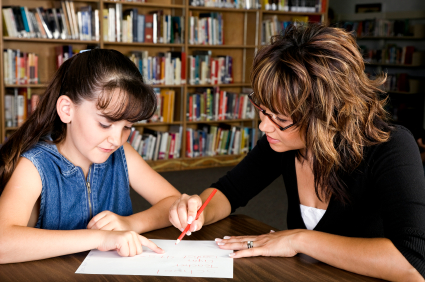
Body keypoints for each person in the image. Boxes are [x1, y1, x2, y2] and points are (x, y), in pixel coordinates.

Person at [169, 24, 425, 281]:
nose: (264, 125)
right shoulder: (283, 141)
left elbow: (413, 263)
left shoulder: (391, 147)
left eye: (280, 118)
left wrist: (300, 240)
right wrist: (197, 210)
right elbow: (228, 191)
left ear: (326, 116)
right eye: (262, 108)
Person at [0, 49, 181, 264]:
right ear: (67, 110)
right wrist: (100, 238)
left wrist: (130, 224)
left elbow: (174, 203)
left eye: (127, 127)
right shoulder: (34, 166)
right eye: (105, 124)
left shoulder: (122, 154)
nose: (116, 139)